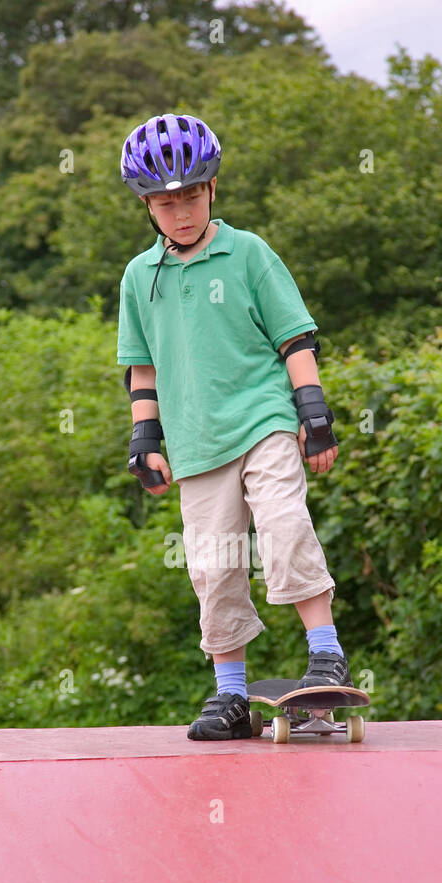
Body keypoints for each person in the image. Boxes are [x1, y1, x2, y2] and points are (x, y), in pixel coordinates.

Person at [118, 113, 349, 740]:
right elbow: (141, 367)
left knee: (283, 521)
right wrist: (145, 441)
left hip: (263, 418)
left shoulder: (248, 253)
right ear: (147, 206)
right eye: (166, 203)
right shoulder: (140, 278)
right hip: (195, 442)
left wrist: (314, 414)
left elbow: (294, 336)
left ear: (212, 189)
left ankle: (324, 650)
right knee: (214, 566)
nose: (181, 212)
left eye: (191, 196)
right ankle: (231, 697)